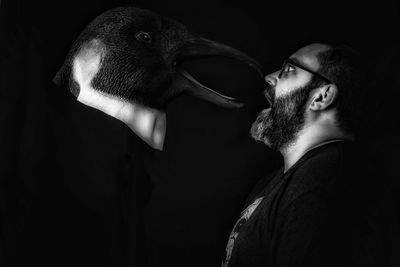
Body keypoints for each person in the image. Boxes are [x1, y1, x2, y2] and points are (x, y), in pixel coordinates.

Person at [222, 42, 399, 267]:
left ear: (321, 97)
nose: (269, 77)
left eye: (289, 70)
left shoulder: (326, 183)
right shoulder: (280, 183)